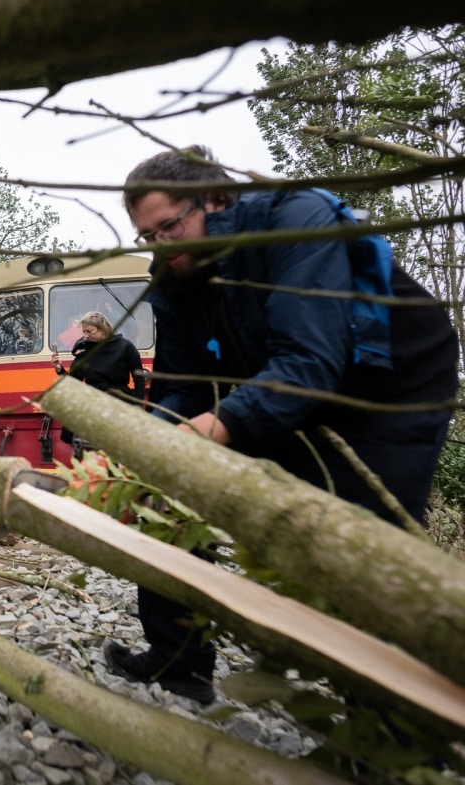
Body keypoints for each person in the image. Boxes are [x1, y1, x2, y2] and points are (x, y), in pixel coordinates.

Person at [102, 145, 459, 705]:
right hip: (273, 381)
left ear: (215, 199)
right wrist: (158, 443)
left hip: (386, 392)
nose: (162, 246)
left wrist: (211, 429)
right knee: (162, 490)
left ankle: (386, 726)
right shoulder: (176, 271)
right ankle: (178, 665)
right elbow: (182, 381)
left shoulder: (294, 221)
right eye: (149, 237)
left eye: (171, 226)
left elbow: (310, 363)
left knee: (364, 553)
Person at [51, 311, 146, 451]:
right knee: (88, 444)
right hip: (92, 401)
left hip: (119, 401)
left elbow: (139, 378)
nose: (86, 335)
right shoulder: (83, 350)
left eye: (90, 331)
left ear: (103, 330)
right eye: (84, 331)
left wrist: (138, 405)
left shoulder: (125, 346)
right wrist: (59, 369)